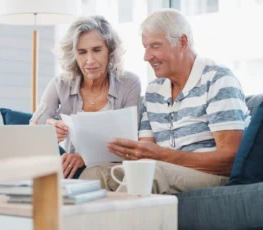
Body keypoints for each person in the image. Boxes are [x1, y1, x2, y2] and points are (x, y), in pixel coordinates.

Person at [104, 9, 251, 194]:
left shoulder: (218, 79)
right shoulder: (154, 90)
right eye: (145, 47)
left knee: (150, 174)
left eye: (155, 46)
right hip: (167, 169)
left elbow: (231, 158)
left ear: (182, 43)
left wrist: (163, 156)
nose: (147, 56)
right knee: (97, 174)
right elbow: (145, 151)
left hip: (213, 174)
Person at [30, 16, 141, 179]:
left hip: (114, 169)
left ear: (109, 50)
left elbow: (130, 143)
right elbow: (33, 131)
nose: (90, 60)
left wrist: (84, 157)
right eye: (82, 52)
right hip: (71, 170)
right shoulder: (61, 83)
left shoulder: (129, 83)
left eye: (97, 50)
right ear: (74, 55)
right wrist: (48, 133)